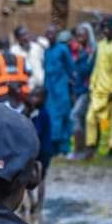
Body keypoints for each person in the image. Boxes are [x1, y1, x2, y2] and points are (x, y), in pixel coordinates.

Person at [85, 17, 112, 158]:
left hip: (111, 90)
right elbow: (97, 68)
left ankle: (111, 148)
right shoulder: (100, 45)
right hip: (97, 89)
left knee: (110, 121)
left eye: (108, 28)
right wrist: (92, 85)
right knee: (90, 118)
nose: (106, 30)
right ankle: (90, 145)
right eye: (104, 28)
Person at [43, 25, 75, 156]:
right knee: (51, 119)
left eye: (52, 33)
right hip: (49, 91)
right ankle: (54, 149)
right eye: (48, 33)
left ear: (56, 35)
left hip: (62, 90)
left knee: (63, 118)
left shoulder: (63, 50)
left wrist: (73, 89)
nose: (50, 36)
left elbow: (71, 69)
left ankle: (65, 148)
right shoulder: (46, 51)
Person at [70, 22, 96, 159]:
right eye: (78, 34)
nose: (79, 37)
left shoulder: (91, 51)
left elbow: (87, 70)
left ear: (88, 35)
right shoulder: (79, 51)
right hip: (78, 89)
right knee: (82, 119)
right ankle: (85, 151)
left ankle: (79, 150)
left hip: (87, 90)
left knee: (74, 116)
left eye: (82, 34)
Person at [26, 86, 52, 214]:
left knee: (41, 178)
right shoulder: (32, 112)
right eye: (32, 96)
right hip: (34, 150)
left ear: (43, 99)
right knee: (27, 177)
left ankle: (39, 205)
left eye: (37, 97)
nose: (33, 99)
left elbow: (37, 131)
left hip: (42, 151)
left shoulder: (42, 113)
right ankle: (32, 202)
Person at [0, 36, 30, 103]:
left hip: (0, 97)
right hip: (19, 96)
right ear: (9, 46)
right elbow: (29, 72)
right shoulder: (21, 59)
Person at [14, 25, 46, 89]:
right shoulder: (14, 51)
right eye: (22, 35)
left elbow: (48, 45)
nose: (25, 37)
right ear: (17, 38)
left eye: (26, 34)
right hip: (27, 86)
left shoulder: (37, 47)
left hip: (41, 82)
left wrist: (37, 39)